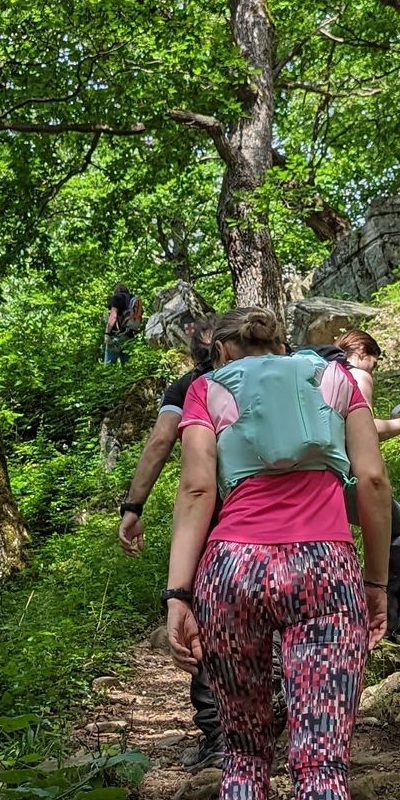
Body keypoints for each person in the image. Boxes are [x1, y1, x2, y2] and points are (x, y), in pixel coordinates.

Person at [165, 307, 392, 800]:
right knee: (322, 764)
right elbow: (372, 476)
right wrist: (379, 584)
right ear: (281, 343)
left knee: (244, 752)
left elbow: (198, 489)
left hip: (233, 570)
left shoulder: (209, 389)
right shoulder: (334, 377)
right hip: (325, 567)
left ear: (224, 348)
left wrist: (178, 593)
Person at [117, 322, 224, 768]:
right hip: (287, 517)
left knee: (202, 615)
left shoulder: (188, 386)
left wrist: (133, 505)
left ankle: (219, 734)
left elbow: (161, 440)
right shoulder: (279, 373)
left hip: (212, 518)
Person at [329, 325, 400, 642]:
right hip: (344, 474)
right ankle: (387, 621)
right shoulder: (356, 374)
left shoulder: (320, 373)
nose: (373, 369)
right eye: (374, 361)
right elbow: (365, 430)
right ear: (362, 353)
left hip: (311, 476)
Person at [102, 284, 145, 363]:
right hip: (130, 336)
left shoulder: (117, 298)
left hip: (116, 337)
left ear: (116, 291)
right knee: (128, 367)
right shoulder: (133, 300)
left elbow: (113, 316)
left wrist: (107, 334)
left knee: (109, 367)